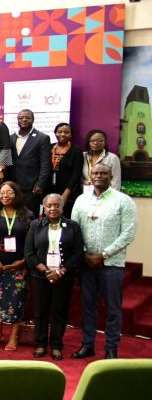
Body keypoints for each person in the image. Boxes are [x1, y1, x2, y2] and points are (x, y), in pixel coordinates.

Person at [71, 163, 137, 360]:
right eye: (95, 173)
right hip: (86, 263)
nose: (99, 176)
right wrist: (84, 254)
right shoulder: (81, 200)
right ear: (90, 176)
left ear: (111, 176)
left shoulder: (123, 201)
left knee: (113, 309)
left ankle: (111, 348)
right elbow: (74, 230)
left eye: (103, 173)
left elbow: (128, 233)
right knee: (88, 306)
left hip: (112, 264)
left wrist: (103, 255)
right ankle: (87, 345)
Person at [25, 194, 83, 360]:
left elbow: (78, 254)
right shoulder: (36, 225)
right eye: (49, 205)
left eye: (56, 205)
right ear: (44, 207)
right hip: (40, 276)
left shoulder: (73, 226)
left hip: (63, 277)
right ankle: (41, 344)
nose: (52, 209)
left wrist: (61, 271)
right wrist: (45, 271)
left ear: (62, 207)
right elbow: (29, 254)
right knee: (40, 311)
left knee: (59, 311)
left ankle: (56, 345)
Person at [0, 181, 33, 351]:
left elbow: (33, 243)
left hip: (19, 267)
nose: (5, 196)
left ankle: (13, 336)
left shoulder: (28, 215)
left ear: (16, 194)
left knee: (17, 302)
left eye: (9, 192)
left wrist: (23, 261)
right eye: (2, 193)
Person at [8, 109, 52, 214]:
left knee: (30, 217)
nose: (24, 120)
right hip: (13, 186)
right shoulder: (11, 138)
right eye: (21, 118)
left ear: (33, 120)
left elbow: (46, 164)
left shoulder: (42, 138)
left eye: (27, 118)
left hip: (32, 187)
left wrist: (40, 184)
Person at [49, 123, 84, 215]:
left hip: (68, 190)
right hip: (50, 188)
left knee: (65, 216)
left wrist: (66, 193)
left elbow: (76, 174)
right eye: (59, 132)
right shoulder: (49, 147)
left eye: (66, 132)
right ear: (55, 133)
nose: (62, 134)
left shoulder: (76, 150)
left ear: (71, 135)